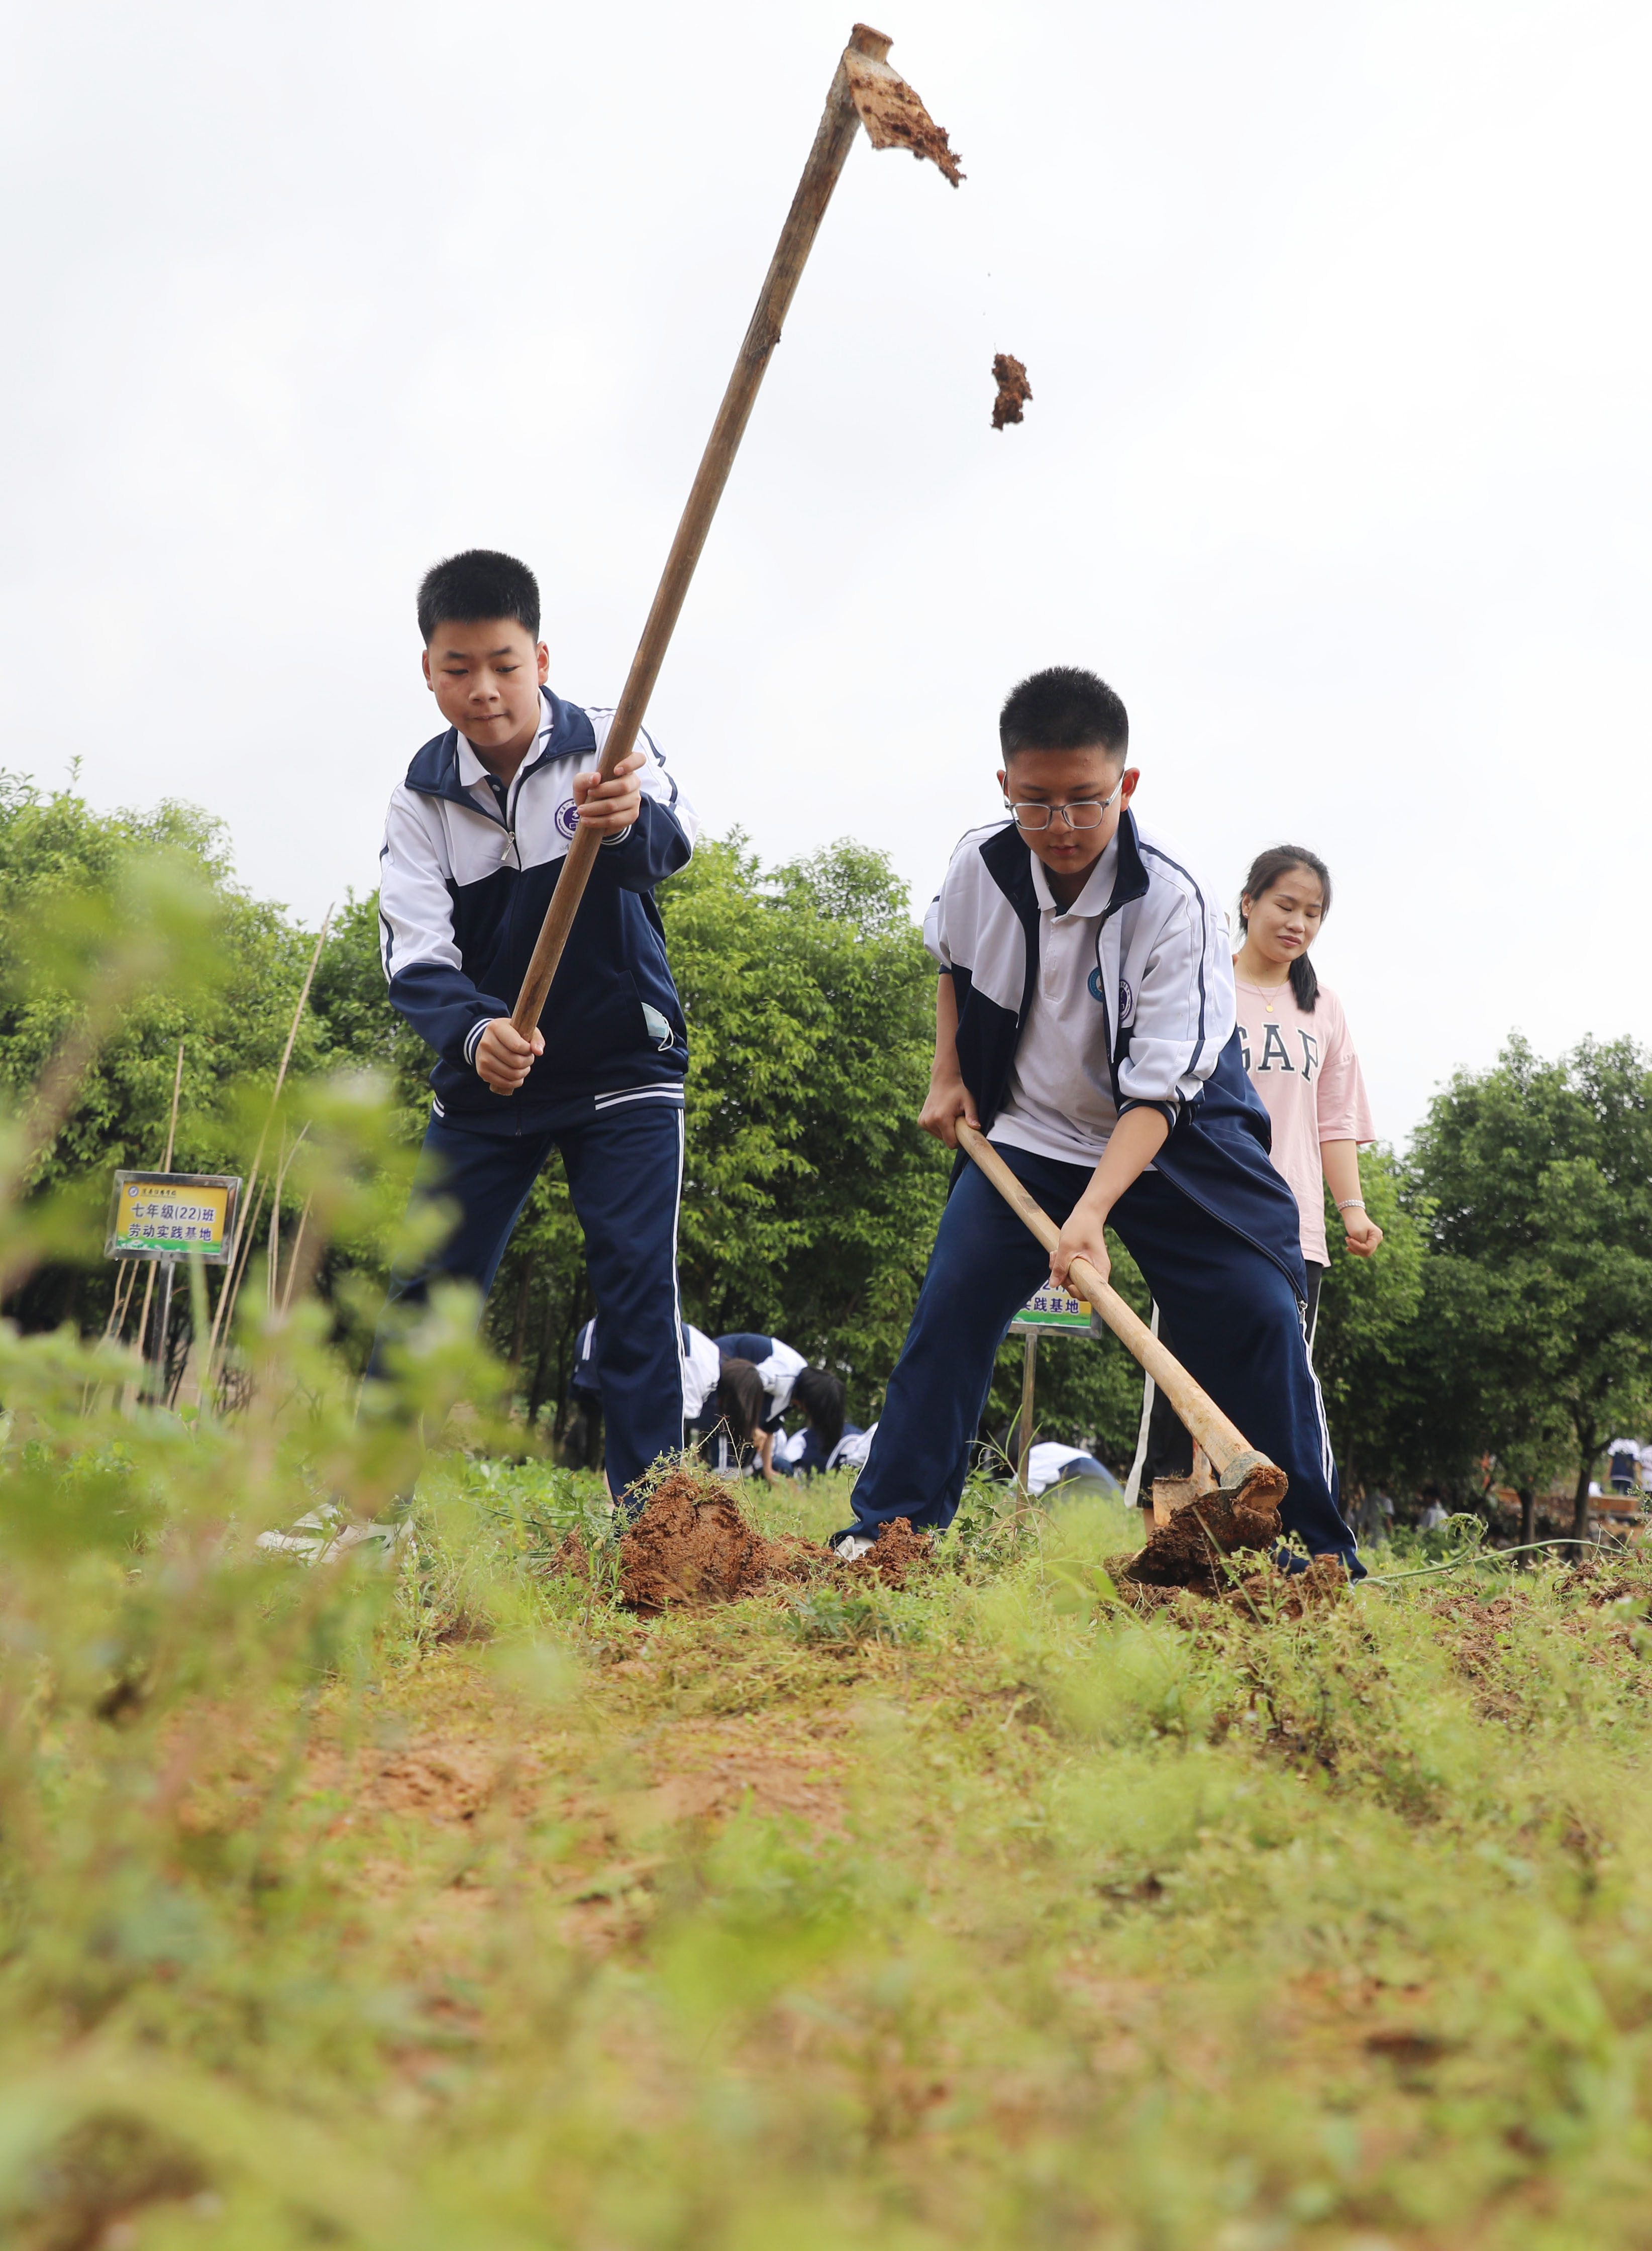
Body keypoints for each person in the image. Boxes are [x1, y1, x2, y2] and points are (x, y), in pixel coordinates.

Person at [830, 665, 1359, 1574]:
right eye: (1036, 804)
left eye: (1085, 801)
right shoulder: (978, 865)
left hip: (1175, 1144)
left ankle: (1315, 1552)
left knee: (1260, 1315)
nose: (1061, 827)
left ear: (1126, 787)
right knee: (949, 1308)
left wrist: (1089, 1216)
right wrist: (946, 1075)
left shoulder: (1173, 903)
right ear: (1005, 789)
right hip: (1028, 1137)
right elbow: (952, 965)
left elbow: (1160, 1090)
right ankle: (889, 1530)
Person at [371, 549, 699, 1507]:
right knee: (428, 1288)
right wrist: (477, 1035)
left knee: (636, 1290)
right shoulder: (420, 798)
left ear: (541, 658)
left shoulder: (611, 737)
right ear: (428, 670)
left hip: (623, 1067)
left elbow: (669, 847)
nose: (483, 691)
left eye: (504, 666)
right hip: (491, 1082)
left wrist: (626, 815)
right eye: (458, 668)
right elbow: (416, 957)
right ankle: (365, 1513)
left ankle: (652, 1520)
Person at [1137, 844, 1380, 1491]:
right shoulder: (1205, 984)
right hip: (1203, 1208)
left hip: (1291, 1229)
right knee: (1178, 1381)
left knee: (1282, 1384)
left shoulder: (1323, 1007)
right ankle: (1167, 1532)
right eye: (1285, 905)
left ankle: (1277, 1534)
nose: (1298, 922)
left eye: (1314, 912)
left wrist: (1352, 1210)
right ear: (1248, 905)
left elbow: (1336, 1121)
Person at [570, 1316, 719, 1475]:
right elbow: (675, 1421)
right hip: (603, 1339)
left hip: (633, 1347)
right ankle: (583, 1468)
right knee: (617, 1422)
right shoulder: (703, 1371)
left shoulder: (708, 1362)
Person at [713, 1332, 808, 1478]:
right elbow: (743, 1385)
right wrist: (752, 1427)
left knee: (741, 1473)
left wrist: (768, 1469)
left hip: (744, 1448)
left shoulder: (782, 1403)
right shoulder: (774, 1379)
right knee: (726, 1474)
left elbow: (769, 1430)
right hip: (721, 1365)